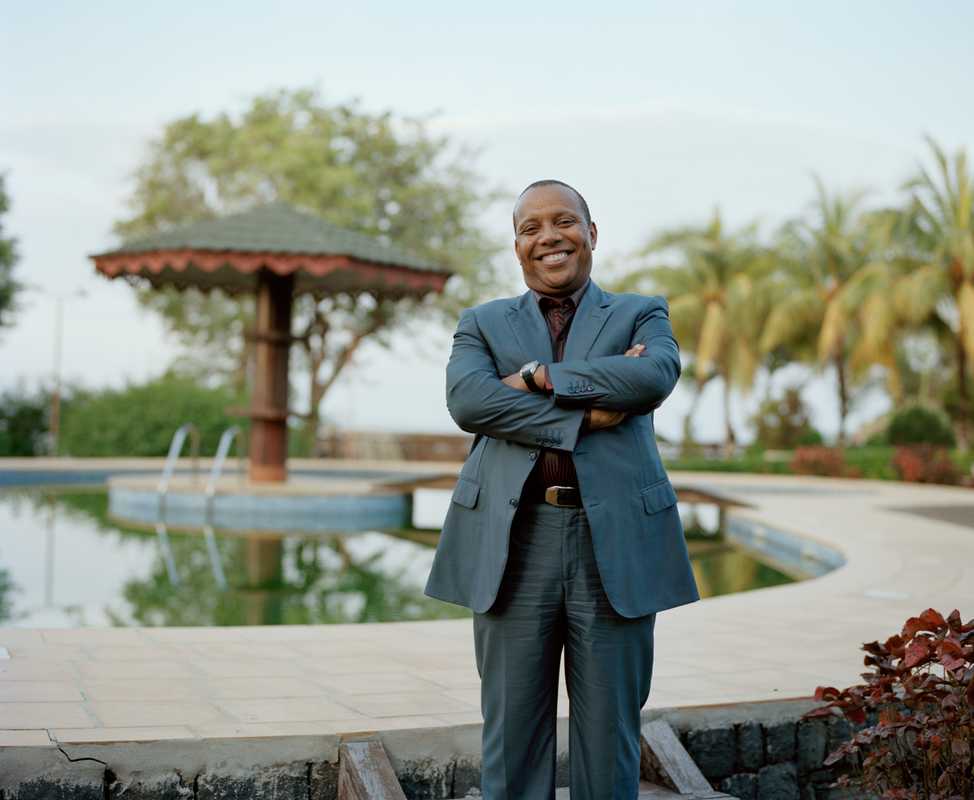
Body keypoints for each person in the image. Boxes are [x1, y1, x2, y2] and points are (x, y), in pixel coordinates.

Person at [424, 179, 700, 799]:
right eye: (530, 228)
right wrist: (582, 413)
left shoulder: (641, 311)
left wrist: (534, 377)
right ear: (517, 247)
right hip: (513, 542)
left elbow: (652, 377)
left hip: (616, 543)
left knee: (611, 739)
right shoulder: (483, 322)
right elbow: (469, 401)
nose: (548, 236)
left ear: (591, 234)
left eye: (564, 222)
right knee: (512, 738)